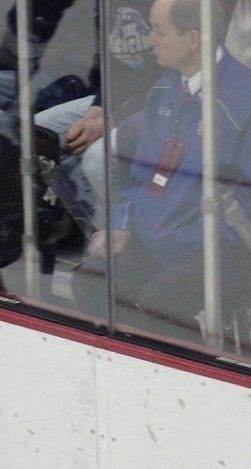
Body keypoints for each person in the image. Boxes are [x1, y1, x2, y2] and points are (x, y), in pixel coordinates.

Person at [73, 0, 251, 343]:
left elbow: (244, 208)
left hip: (222, 250)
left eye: (160, 31)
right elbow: (138, 175)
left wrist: (176, 241)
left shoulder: (242, 101)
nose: (149, 39)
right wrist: (121, 225)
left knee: (161, 303)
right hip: (161, 237)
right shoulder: (165, 88)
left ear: (193, 38)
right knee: (92, 280)